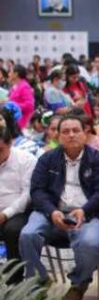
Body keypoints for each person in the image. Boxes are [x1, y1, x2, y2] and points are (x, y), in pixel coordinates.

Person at [20, 115, 99, 300]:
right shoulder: (47, 159)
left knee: (90, 242)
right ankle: (38, 281)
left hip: (89, 214)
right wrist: (51, 211)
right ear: (57, 135)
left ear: (85, 133)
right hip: (52, 213)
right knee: (28, 234)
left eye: (76, 131)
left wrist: (85, 210)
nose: (71, 135)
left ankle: (79, 284)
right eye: (65, 131)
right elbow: (37, 190)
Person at [0, 109, 37, 285]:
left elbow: (27, 194)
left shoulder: (26, 160)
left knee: (12, 231)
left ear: (10, 143)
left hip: (18, 211)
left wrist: (5, 214)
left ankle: (15, 284)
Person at [9, 64, 35, 130]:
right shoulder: (15, 86)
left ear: (16, 74)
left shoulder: (24, 86)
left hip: (23, 123)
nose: (9, 74)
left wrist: (12, 105)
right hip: (15, 122)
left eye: (10, 72)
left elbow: (30, 105)